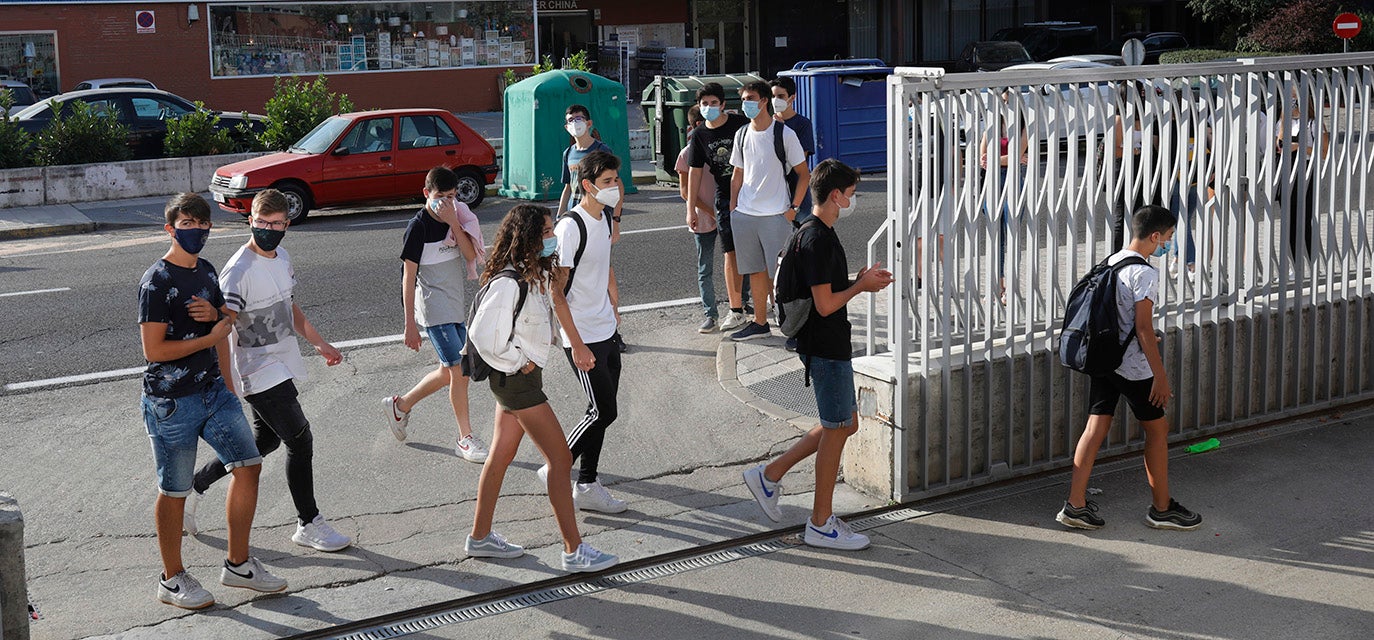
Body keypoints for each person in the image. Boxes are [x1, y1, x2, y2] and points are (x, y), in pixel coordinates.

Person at [182, 189, 352, 554]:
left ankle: (195, 484)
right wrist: (228, 385)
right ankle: (309, 523)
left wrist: (320, 343)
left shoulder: (282, 257)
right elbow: (222, 329)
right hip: (258, 371)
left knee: (265, 441)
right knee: (300, 440)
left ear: (287, 224)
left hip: (282, 362)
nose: (269, 230)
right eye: (262, 223)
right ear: (251, 220)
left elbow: (289, 307)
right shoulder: (238, 273)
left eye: (276, 224)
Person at [138, 193, 285, 610]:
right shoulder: (157, 282)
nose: (196, 232)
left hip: (213, 392)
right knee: (175, 490)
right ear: (170, 229)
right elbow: (154, 351)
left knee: (249, 465)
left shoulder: (205, 270)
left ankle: (238, 565)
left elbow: (228, 318)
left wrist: (217, 327)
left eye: (203, 226)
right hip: (171, 402)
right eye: (187, 225)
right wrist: (210, 335)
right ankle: (172, 579)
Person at [742, 160, 893, 550]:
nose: (854, 200)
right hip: (824, 346)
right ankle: (820, 522)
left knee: (843, 424)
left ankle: (769, 475)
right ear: (837, 195)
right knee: (839, 427)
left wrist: (857, 280)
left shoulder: (813, 231)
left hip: (825, 344)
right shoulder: (818, 238)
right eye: (853, 194)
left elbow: (819, 290)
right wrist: (862, 287)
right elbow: (824, 305)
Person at [463, 204, 620, 573]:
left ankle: (480, 537)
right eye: (546, 233)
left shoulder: (530, 274)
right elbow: (482, 337)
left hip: (518, 380)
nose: (553, 238)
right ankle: (573, 550)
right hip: (517, 382)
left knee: (500, 456)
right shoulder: (508, 283)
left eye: (551, 231)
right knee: (561, 461)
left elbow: (553, 302)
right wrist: (521, 361)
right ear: (529, 238)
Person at [1056, 204, 1203, 532]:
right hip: (1133, 368)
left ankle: (1075, 504)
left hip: (1103, 360)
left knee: (1095, 428)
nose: (1167, 244)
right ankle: (1162, 508)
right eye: (1167, 238)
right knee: (1157, 430)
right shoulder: (1145, 273)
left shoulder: (1110, 262)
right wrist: (1160, 376)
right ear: (1155, 236)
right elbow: (1143, 328)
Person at [539, 150, 629, 514]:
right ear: (588, 185)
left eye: (615, 181)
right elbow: (556, 290)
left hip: (605, 327)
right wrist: (575, 343)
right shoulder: (569, 227)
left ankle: (588, 482)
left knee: (600, 410)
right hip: (581, 334)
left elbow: (604, 261)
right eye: (607, 183)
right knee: (603, 412)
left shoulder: (604, 217)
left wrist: (614, 302)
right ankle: (555, 467)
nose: (614, 188)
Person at [381, 166, 490, 462]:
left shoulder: (458, 217)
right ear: (427, 193)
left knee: (447, 372)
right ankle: (465, 438)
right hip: (433, 309)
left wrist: (454, 222)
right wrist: (409, 325)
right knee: (459, 370)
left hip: (455, 306)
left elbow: (470, 256)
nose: (446, 202)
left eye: (453, 196)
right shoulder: (418, 227)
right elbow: (408, 277)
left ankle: (400, 406)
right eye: (441, 196)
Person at [728, 80, 810, 341]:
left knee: (783, 275)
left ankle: (793, 327)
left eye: (750, 98)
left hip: (776, 214)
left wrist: (793, 209)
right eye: (743, 99)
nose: (745, 104)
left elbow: (804, 174)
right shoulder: (741, 134)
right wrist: (734, 209)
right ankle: (760, 323)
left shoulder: (785, 134)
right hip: (746, 214)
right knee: (755, 271)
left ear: (764, 101)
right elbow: (737, 174)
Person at [556, 103, 628, 352]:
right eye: (570, 120)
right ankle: (580, 327)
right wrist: (559, 216)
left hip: (600, 218)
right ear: (566, 127)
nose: (575, 123)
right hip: (576, 220)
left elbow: (617, 187)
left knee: (605, 274)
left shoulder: (601, 150)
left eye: (579, 118)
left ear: (589, 123)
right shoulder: (568, 154)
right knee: (576, 274)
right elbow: (567, 188)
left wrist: (616, 222)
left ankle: (613, 326)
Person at [685, 82, 752, 332]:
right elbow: (694, 173)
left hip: (750, 193)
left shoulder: (740, 125)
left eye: (714, 103)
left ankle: (767, 303)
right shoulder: (700, 135)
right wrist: (691, 208)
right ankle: (736, 310)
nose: (709, 108)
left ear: (723, 105)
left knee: (759, 251)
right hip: (723, 197)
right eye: (704, 104)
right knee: (730, 253)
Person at [677, 105, 721, 333]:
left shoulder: (719, 148)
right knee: (705, 268)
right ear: (697, 125)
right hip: (703, 219)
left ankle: (743, 303)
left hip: (725, 212)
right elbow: (685, 192)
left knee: (738, 261)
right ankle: (710, 314)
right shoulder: (686, 155)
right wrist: (710, 210)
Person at [770, 76, 816, 224]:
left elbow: (799, 160)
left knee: (801, 239)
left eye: (780, 96)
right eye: (772, 96)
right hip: (774, 194)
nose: (775, 100)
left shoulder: (803, 124)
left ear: (792, 97)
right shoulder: (766, 123)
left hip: (798, 194)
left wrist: (783, 130)